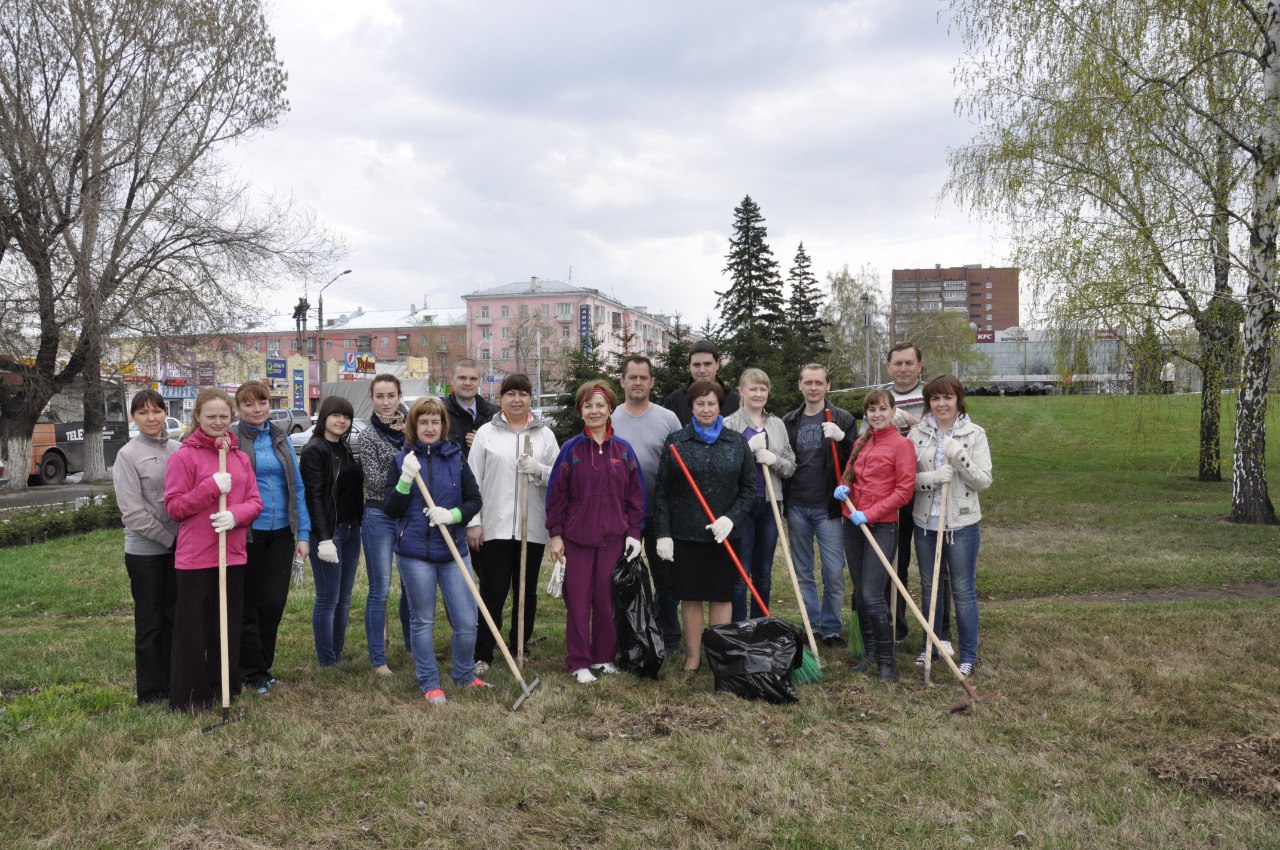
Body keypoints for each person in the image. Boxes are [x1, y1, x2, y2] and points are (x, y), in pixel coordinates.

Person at [383, 397, 488, 704]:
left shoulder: (456, 458)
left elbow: (474, 500)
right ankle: (429, 682)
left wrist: (452, 515)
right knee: (423, 621)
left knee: (467, 621)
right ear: (414, 426)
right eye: (423, 422)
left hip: (453, 549)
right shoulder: (401, 459)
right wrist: (404, 479)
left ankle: (464, 674)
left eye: (436, 422)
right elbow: (391, 508)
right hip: (415, 554)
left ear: (444, 426)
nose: (430, 428)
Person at [164, 388, 263, 711]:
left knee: (227, 626)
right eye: (211, 416)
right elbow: (175, 508)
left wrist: (236, 515)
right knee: (193, 630)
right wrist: (209, 489)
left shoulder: (239, 458)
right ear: (198, 418)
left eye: (224, 416)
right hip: (196, 556)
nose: (218, 422)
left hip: (231, 553)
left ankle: (224, 688)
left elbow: (255, 502)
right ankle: (191, 696)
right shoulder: (184, 456)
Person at [546, 380, 645, 683]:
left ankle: (603, 657)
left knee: (606, 600)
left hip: (613, 541)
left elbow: (636, 496)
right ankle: (578, 660)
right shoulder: (571, 450)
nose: (594, 410)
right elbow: (556, 495)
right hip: (577, 541)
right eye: (588, 405)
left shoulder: (624, 451)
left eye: (600, 405)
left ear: (610, 408)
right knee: (577, 601)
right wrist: (556, 534)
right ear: (581, 411)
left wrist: (634, 533)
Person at [653, 381, 756, 670]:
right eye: (700, 404)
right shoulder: (676, 442)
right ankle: (693, 656)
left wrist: (730, 518)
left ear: (719, 405)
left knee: (721, 595)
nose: (706, 409)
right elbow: (662, 492)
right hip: (686, 533)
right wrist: (663, 533)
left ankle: (717, 656)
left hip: (724, 535)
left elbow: (748, 488)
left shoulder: (736, 442)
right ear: (692, 407)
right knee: (691, 595)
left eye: (711, 403)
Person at [466, 374, 560, 674]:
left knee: (525, 591)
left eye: (523, 394)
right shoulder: (485, 433)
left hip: (530, 527)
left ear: (531, 398)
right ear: (501, 398)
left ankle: (520, 645)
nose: (516, 399)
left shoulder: (545, 435)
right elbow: (472, 480)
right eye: (510, 394)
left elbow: (559, 479)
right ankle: (484, 652)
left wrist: (540, 471)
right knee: (492, 590)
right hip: (495, 526)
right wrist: (474, 522)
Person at [909, 374, 992, 679]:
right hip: (926, 523)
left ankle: (969, 653)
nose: (941, 404)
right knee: (931, 587)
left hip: (962, 524)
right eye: (935, 398)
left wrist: (959, 457)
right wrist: (931, 478)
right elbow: (906, 480)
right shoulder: (917, 434)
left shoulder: (974, 434)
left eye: (947, 397)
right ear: (928, 402)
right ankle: (932, 644)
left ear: (958, 400)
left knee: (962, 589)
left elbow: (984, 481)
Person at [231, 380, 311, 694]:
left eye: (261, 402)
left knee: (274, 603)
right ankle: (251, 672)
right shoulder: (232, 439)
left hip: (281, 534)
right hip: (248, 533)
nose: (256, 409)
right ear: (239, 409)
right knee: (249, 604)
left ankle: (261, 666)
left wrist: (302, 533)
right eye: (249, 404)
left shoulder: (280, 438)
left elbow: (298, 488)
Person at [832, 390, 916, 682]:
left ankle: (887, 663)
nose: (876, 415)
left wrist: (871, 513)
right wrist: (845, 491)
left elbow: (904, 491)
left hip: (882, 525)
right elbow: (852, 477)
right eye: (871, 410)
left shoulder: (902, 445)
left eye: (882, 409)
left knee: (872, 593)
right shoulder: (861, 441)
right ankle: (870, 653)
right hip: (851, 523)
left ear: (893, 411)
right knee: (861, 592)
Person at [112, 388, 181, 706]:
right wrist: (171, 539)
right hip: (147, 553)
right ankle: (152, 692)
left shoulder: (178, 449)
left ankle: (175, 681)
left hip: (181, 550)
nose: (151, 418)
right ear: (133, 418)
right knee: (151, 621)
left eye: (157, 410)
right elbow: (133, 513)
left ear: (165, 412)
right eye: (143, 413)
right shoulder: (127, 455)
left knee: (175, 617)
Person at [609, 354, 682, 654]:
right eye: (632, 377)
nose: (638, 382)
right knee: (622, 574)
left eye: (644, 377)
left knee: (666, 576)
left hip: (660, 511)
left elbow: (680, 465)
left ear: (652, 382)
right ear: (622, 380)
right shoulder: (609, 417)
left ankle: (670, 636)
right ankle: (625, 635)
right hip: (620, 514)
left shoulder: (668, 419)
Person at [781, 364, 855, 646]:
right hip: (797, 505)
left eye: (819, 383)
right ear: (800, 385)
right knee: (803, 571)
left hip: (829, 507)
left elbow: (855, 459)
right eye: (808, 382)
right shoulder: (789, 421)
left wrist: (843, 438)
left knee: (834, 571)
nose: (813, 388)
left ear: (828, 385)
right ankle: (811, 624)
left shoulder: (842, 418)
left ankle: (832, 627)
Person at [723, 368, 796, 621]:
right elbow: (721, 467)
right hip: (740, 506)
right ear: (741, 390)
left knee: (763, 574)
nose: (758, 393)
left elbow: (790, 466)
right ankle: (740, 629)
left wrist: (773, 458)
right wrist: (745, 449)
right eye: (752, 388)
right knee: (741, 575)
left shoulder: (777, 424)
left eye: (763, 389)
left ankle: (760, 624)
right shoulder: (729, 424)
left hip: (770, 504)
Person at [300, 395, 364, 668]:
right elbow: (314, 496)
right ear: (324, 416)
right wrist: (324, 537)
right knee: (328, 597)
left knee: (345, 597)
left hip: (351, 531)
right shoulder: (316, 449)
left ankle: (336, 652)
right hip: (329, 534)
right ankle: (327, 659)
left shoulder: (345, 448)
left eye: (347, 417)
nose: (342, 421)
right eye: (336, 415)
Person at [879, 342, 936, 645]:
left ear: (919, 365)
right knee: (893, 560)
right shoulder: (881, 397)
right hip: (891, 491)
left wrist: (914, 423)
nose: (903, 368)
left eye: (909, 363)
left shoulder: (931, 395)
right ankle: (895, 625)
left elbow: (943, 434)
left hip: (927, 488)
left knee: (932, 562)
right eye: (897, 363)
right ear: (888, 366)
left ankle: (939, 630)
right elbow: (869, 437)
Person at [359, 373, 413, 675]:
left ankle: (410, 645)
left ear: (399, 396)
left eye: (391, 396)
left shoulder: (411, 430)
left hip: (408, 515)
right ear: (371, 399)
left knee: (411, 585)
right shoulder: (368, 435)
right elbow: (374, 481)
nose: (385, 402)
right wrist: (405, 471)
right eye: (379, 397)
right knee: (380, 589)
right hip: (379, 514)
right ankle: (378, 659)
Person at [662, 340, 740, 426]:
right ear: (690, 366)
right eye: (696, 365)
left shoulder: (735, 401)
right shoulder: (674, 400)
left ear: (717, 364)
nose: (702, 370)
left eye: (707, 364)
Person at [441, 357, 498, 458]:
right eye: (462, 378)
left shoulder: (495, 414)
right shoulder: (439, 412)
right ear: (451, 380)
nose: (467, 383)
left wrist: (485, 443)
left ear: (479, 381)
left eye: (473, 379)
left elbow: (506, 448)